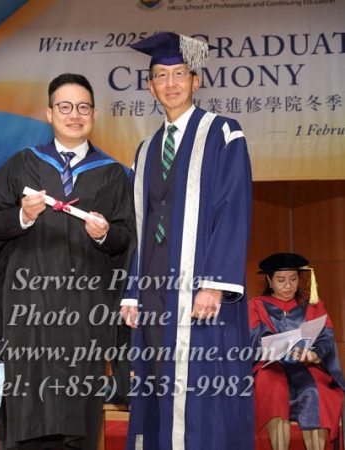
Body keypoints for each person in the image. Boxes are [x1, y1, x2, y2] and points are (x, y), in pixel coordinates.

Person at [0, 73, 135, 450]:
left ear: (94, 114)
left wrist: (105, 234)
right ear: (49, 113)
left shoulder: (113, 174)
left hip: (85, 308)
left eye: (84, 107)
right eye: (65, 106)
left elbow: (128, 238)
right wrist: (22, 216)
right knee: (28, 407)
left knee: (78, 412)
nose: (75, 115)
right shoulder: (22, 164)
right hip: (28, 307)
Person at [120, 32, 254, 450]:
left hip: (200, 287)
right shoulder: (145, 149)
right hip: (154, 288)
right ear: (150, 87)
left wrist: (214, 283)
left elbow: (233, 208)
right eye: (161, 76)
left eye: (180, 74)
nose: (171, 83)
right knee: (159, 383)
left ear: (196, 81)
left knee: (202, 391)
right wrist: (132, 292)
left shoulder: (222, 133)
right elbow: (141, 225)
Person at [249, 252, 345, 450]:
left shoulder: (312, 305)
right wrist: (276, 348)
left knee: (315, 391)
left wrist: (315, 354)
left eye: (293, 279)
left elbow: (326, 337)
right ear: (269, 280)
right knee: (274, 390)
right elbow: (253, 340)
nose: (288, 286)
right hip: (271, 366)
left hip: (306, 365)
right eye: (281, 280)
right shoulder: (257, 306)